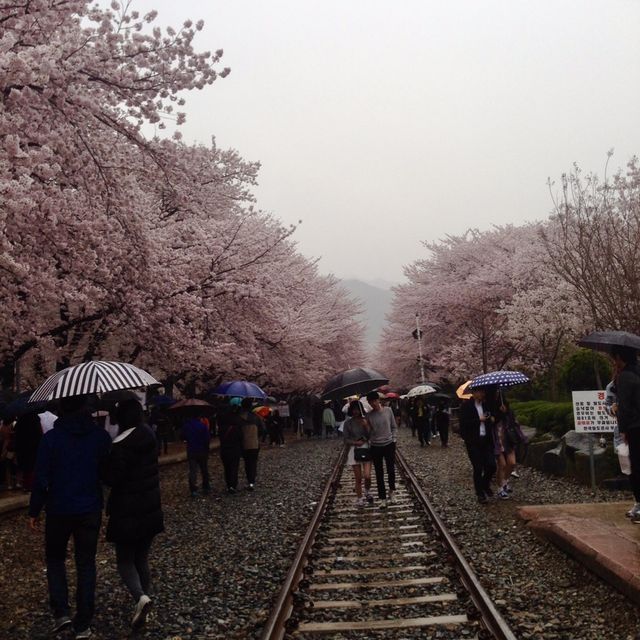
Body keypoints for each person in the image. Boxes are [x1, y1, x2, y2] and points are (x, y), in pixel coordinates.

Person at [28, 394, 112, 639]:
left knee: (55, 560)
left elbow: (41, 478)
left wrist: (34, 510)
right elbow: (107, 472)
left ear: (62, 408)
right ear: (86, 407)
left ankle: (61, 612)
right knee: (86, 562)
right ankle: (83, 622)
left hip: (58, 508)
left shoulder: (51, 439)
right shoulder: (100, 437)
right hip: (89, 508)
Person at [100, 399, 164, 630]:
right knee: (142, 557)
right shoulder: (148, 435)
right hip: (150, 506)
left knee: (125, 560)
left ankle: (140, 597)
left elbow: (112, 479)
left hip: (126, 510)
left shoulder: (121, 445)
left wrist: (104, 464)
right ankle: (144, 600)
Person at [611, 345, 640, 522]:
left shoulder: (625, 377)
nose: (614, 362)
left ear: (620, 357)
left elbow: (626, 408)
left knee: (636, 466)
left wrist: (622, 430)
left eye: (614, 358)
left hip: (636, 427)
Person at [459, 387, 497, 504]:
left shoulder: (486, 405)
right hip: (473, 441)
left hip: (486, 440)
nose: (482, 394)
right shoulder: (466, 407)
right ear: (474, 393)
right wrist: (478, 420)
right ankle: (479, 493)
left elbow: (491, 417)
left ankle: (485, 484)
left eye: (483, 392)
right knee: (478, 467)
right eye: (479, 392)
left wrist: (492, 418)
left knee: (491, 465)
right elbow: (463, 424)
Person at [366, 391, 397, 509]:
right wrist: (366, 426)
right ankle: (382, 498)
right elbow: (368, 434)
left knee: (391, 470)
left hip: (389, 444)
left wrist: (394, 439)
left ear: (378, 400)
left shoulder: (388, 410)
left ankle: (392, 491)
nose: (373, 403)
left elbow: (394, 426)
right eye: (370, 402)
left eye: (374, 401)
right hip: (375, 446)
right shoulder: (368, 416)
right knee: (379, 473)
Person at [343, 400, 373, 506]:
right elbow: (345, 439)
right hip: (354, 450)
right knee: (358, 478)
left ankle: (367, 491)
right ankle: (360, 498)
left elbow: (370, 435)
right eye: (354, 409)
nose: (356, 411)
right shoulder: (348, 423)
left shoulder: (365, 420)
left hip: (366, 448)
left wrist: (366, 426)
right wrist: (355, 442)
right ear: (351, 410)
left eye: (357, 409)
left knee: (367, 475)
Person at [218, 397, 244, 493]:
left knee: (227, 467)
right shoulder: (236, 427)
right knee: (234, 467)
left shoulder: (221, 427)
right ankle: (233, 484)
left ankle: (229, 484)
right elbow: (240, 438)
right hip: (235, 449)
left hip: (224, 449)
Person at [181, 413, 211, 497]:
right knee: (204, 469)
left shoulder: (186, 426)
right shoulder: (202, 425)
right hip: (202, 450)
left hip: (191, 450)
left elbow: (182, 436)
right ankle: (206, 486)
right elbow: (207, 439)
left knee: (193, 470)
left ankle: (193, 489)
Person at [239, 398, 261, 490]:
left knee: (247, 463)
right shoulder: (256, 417)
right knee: (253, 462)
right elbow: (263, 430)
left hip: (243, 443)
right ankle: (252, 481)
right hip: (254, 443)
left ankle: (249, 480)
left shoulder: (239, 417)